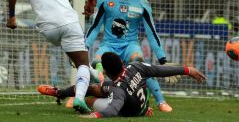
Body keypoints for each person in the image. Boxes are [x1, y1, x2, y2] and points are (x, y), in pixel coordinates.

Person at [6, 0, 96, 114]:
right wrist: (91, 3)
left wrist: (12, 16)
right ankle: (79, 98)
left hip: (47, 29)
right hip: (68, 23)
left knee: (77, 57)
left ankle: (93, 74)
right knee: (82, 63)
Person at [85, 0, 174, 112]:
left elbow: (152, 32)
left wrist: (162, 58)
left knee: (139, 63)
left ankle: (161, 101)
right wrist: (84, 47)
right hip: (109, 44)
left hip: (130, 44)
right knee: (96, 63)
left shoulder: (142, 3)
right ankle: (79, 96)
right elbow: (94, 27)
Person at [38, 52, 207, 118]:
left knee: (91, 97)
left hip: (135, 109)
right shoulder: (135, 67)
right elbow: (160, 70)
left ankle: (74, 99)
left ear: (109, 72)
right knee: (99, 88)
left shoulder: (117, 88)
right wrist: (187, 70)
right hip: (142, 103)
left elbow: (113, 109)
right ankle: (60, 93)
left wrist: (93, 116)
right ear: (121, 62)